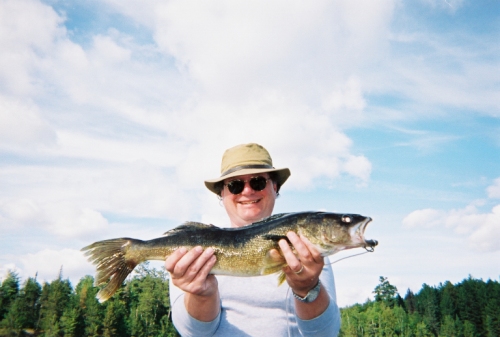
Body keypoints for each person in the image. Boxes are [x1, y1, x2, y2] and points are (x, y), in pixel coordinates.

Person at [165, 143, 340, 336]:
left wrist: (309, 289)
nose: (247, 191)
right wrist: (202, 295)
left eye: (258, 182)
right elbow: (194, 333)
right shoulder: (191, 252)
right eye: (235, 185)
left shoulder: (307, 251)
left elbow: (325, 333)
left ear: (275, 186)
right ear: (222, 193)